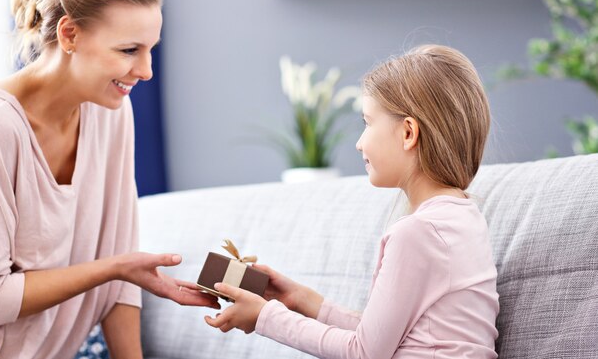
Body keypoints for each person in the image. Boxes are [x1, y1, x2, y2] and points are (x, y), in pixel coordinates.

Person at [0, 0, 218, 359]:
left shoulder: (111, 111)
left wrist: (120, 271)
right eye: (128, 50)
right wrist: (115, 267)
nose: (146, 71)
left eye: (150, 49)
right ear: (69, 35)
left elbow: (119, 279)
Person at [205, 45, 500, 358]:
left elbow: (363, 353)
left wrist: (265, 317)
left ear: (408, 132)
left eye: (368, 123)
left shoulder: (417, 233)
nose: (360, 144)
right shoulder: (464, 219)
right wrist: (301, 298)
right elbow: (383, 337)